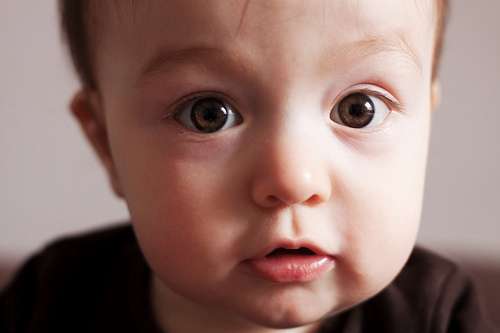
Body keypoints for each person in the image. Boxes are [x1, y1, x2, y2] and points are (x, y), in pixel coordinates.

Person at [0, 0, 495, 332]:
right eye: (208, 114)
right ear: (105, 141)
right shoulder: (55, 300)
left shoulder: (435, 316)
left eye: (358, 109)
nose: (292, 180)